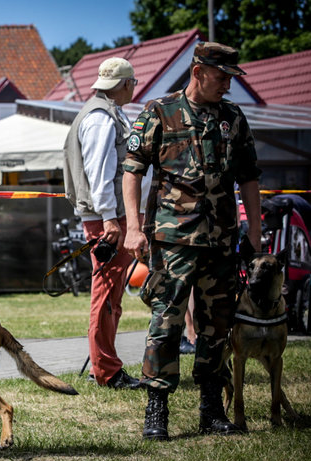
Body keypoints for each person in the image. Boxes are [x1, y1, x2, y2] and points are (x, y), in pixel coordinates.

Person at [122, 42, 262, 440]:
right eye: (222, 78)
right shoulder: (159, 112)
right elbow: (132, 171)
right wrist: (133, 226)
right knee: (166, 322)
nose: (228, 87)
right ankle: (157, 409)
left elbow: (250, 176)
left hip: (221, 240)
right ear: (199, 71)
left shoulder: (233, 117)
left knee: (216, 325)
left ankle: (211, 409)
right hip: (172, 241)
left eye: (231, 79)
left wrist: (254, 230)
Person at [63, 57, 148, 389]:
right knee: (107, 294)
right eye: (134, 84)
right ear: (126, 84)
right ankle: (107, 371)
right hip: (106, 219)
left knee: (109, 294)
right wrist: (111, 219)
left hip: (106, 216)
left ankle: (104, 365)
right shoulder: (101, 118)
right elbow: (99, 173)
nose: (133, 89)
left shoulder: (102, 112)